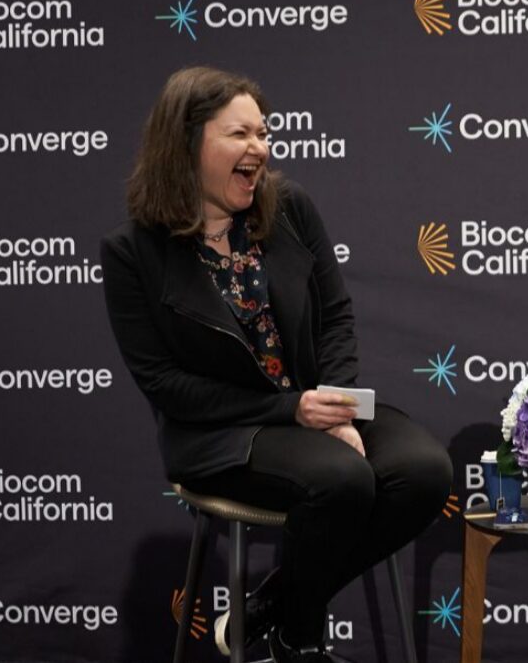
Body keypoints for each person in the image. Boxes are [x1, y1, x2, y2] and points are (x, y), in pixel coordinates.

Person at [101, 67, 453, 663]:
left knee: (424, 472)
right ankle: (303, 644)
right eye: (240, 134)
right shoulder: (133, 252)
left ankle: (274, 608)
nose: (260, 148)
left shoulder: (288, 208)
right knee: (341, 480)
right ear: (186, 143)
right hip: (222, 432)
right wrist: (293, 409)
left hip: (316, 406)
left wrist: (337, 407)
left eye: (263, 133)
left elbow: (335, 314)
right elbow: (166, 385)